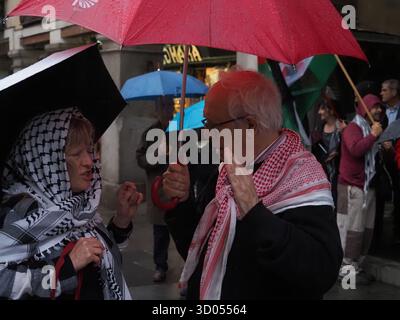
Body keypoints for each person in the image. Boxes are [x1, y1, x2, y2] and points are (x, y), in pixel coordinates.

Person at [161, 70, 342, 300]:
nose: (207, 134)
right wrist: (183, 202)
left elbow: (321, 271)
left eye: (212, 124)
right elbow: (200, 253)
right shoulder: (225, 169)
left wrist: (255, 212)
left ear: (251, 125)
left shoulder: (301, 177)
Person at [0, 107, 143, 300]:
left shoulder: (79, 206)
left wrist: (122, 220)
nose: (89, 161)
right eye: (76, 153)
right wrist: (68, 266)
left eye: (90, 150)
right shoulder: (20, 212)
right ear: (48, 160)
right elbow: (4, 282)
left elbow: (101, 259)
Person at [336, 94, 383, 284]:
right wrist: (373, 136)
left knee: (365, 229)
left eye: (380, 107)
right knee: (351, 230)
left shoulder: (373, 128)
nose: (379, 110)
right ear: (365, 109)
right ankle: (346, 274)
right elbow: (355, 149)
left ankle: (356, 266)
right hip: (352, 188)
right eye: (375, 107)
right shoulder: (353, 128)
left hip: (367, 187)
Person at [136, 97, 174, 283]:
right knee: (160, 232)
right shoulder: (150, 132)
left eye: (171, 107)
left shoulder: (180, 129)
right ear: (158, 111)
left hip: (178, 188)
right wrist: (158, 155)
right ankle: (160, 265)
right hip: (159, 190)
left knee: (183, 229)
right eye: (165, 108)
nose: (169, 111)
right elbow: (141, 158)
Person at [312, 89, 346, 208]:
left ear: (331, 110)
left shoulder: (342, 128)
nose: (319, 112)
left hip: (340, 175)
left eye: (322, 108)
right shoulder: (318, 131)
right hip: (323, 176)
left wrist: (344, 134)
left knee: (340, 208)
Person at [380, 79, 400, 243]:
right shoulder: (380, 112)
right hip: (382, 157)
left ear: (394, 92)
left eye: (385, 90)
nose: (382, 93)